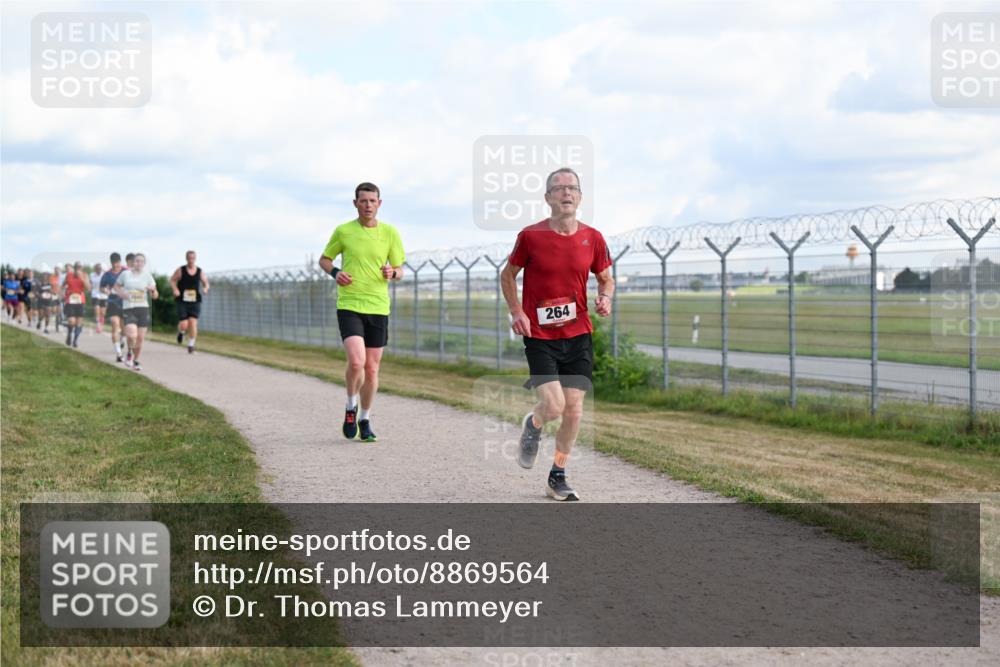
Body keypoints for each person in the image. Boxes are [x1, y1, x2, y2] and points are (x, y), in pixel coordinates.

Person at [500, 167, 614, 501]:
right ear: (548, 197)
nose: (566, 193)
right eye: (558, 188)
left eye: (572, 188)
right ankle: (533, 424)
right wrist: (516, 311)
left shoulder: (592, 238)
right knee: (553, 407)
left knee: (574, 411)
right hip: (540, 336)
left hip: (578, 334)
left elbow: (606, 277)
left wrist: (605, 297)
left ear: (580, 197)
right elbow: (508, 276)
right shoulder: (531, 236)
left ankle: (557, 474)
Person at [318, 182, 406, 442]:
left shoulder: (390, 233)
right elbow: (324, 259)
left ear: (380, 203)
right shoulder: (344, 231)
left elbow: (400, 269)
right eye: (363, 200)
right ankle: (349, 406)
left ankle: (365, 418)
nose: (368, 205)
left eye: (372, 201)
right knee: (356, 362)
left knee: (372, 369)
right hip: (349, 304)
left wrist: (393, 272)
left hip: (378, 307)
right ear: (355, 203)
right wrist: (335, 272)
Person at [114, 252, 157, 371]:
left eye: (141, 261)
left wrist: (152, 291)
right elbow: (116, 286)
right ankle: (129, 352)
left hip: (143, 308)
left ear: (144, 263)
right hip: (129, 308)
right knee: (132, 334)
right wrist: (121, 293)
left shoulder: (148, 276)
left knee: (140, 338)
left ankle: (136, 360)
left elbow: (155, 296)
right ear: (133, 262)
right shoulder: (125, 274)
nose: (138, 263)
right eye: (136, 261)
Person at [170, 250, 210, 354]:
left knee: (193, 323)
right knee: (184, 324)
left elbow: (206, 283)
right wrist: (175, 289)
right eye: (189, 258)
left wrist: (206, 288)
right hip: (182, 301)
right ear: (186, 258)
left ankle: (191, 345)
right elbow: (173, 280)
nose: (191, 260)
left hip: (195, 301)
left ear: (195, 259)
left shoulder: (199, 271)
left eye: (193, 258)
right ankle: (181, 332)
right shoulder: (181, 270)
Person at [101, 253, 127, 362]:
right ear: (111, 262)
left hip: (125, 303)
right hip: (112, 302)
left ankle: (123, 339)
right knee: (115, 325)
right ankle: (118, 353)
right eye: (114, 263)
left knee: (124, 328)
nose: (116, 265)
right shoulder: (107, 274)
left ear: (120, 262)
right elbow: (101, 287)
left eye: (117, 262)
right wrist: (106, 290)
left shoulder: (126, 272)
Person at [62, 262, 91, 347]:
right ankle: (69, 335)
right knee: (71, 321)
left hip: (80, 301)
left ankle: (75, 340)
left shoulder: (85, 275)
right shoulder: (69, 275)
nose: (78, 269)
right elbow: (63, 286)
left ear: (82, 268)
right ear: (74, 268)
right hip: (70, 300)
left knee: (78, 323)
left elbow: (88, 288)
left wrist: (82, 278)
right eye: (77, 267)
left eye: (80, 267)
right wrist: (62, 293)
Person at [90, 263, 106, 333]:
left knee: (103, 312)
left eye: (100, 268)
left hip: (104, 295)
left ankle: (101, 325)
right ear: (95, 269)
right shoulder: (92, 275)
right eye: (97, 268)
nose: (98, 270)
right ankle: (98, 324)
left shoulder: (105, 274)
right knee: (96, 308)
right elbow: (89, 283)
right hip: (95, 294)